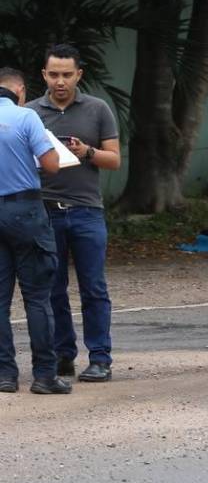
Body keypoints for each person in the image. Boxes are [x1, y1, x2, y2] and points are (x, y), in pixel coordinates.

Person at [32, 44, 122, 382]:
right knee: (51, 288)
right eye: (53, 74)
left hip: (86, 211)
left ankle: (100, 357)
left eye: (67, 75)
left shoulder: (98, 109)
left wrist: (87, 152)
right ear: (44, 75)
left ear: (78, 75)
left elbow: (114, 160)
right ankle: (62, 356)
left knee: (93, 287)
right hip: (44, 212)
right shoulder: (30, 113)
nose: (60, 81)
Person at [0, 67, 69, 394]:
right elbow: (53, 165)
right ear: (21, 91)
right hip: (25, 211)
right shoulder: (26, 118)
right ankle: (44, 375)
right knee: (37, 298)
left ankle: (5, 375)